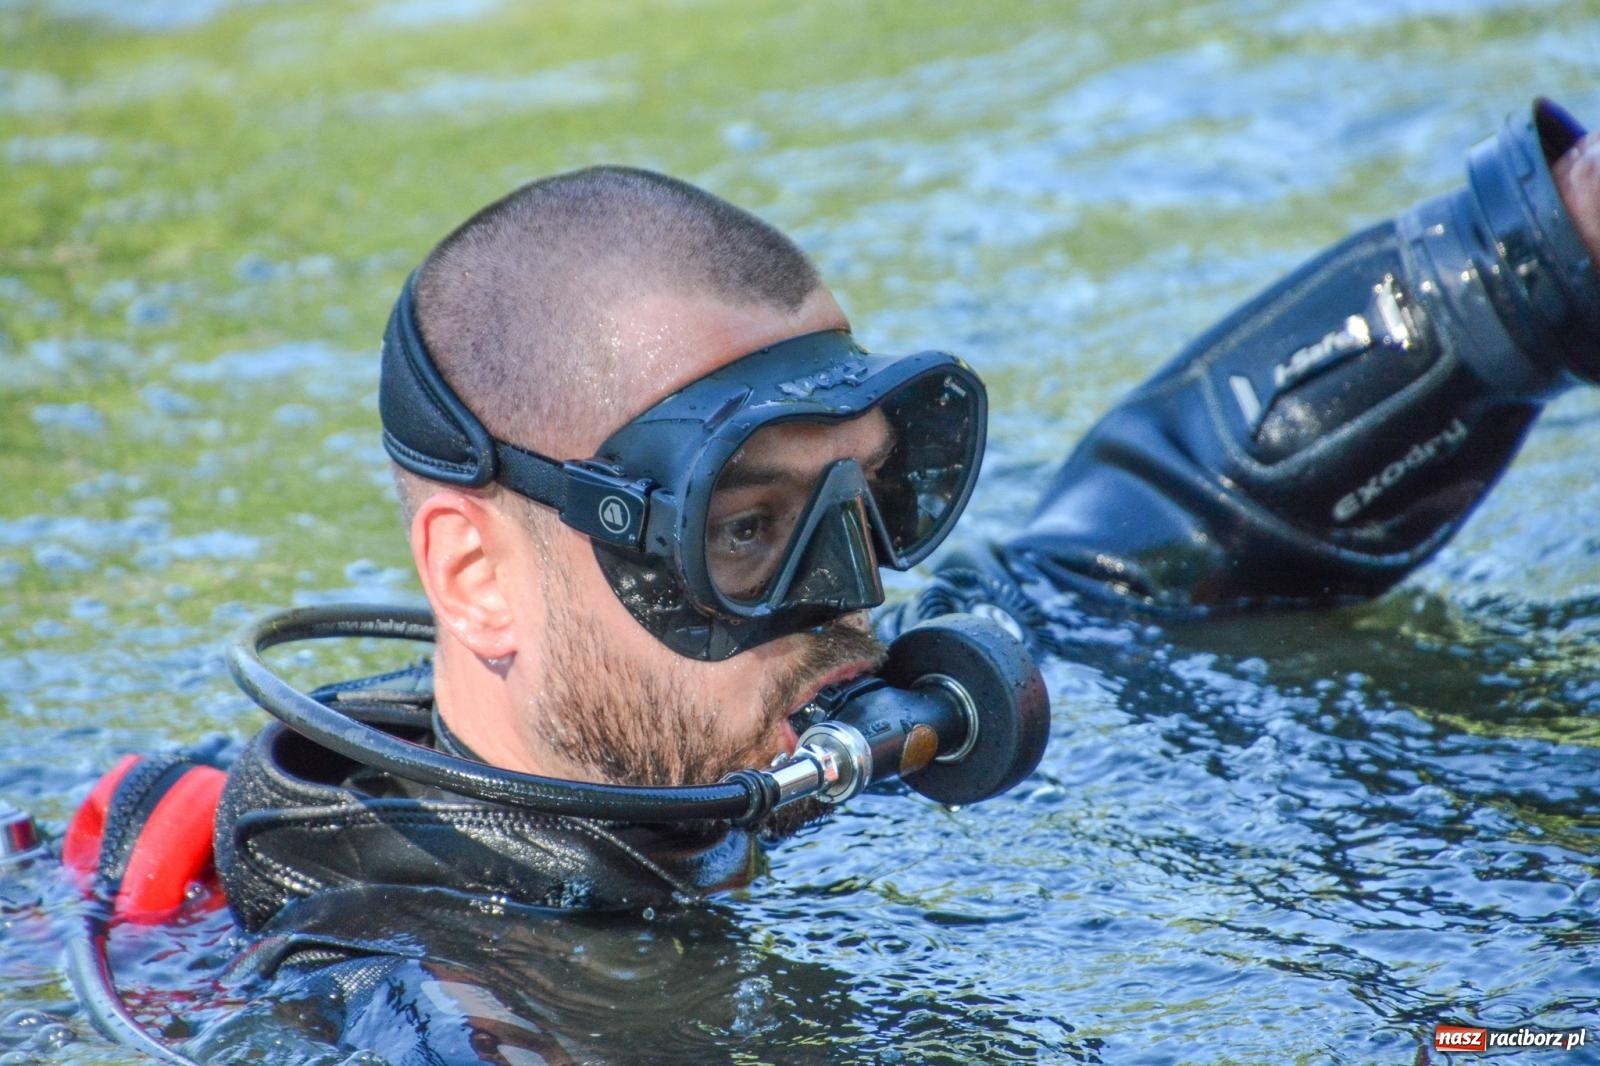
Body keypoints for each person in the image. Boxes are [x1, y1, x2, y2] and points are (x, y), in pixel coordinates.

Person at [71, 98, 1600, 1063]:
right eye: (745, 531)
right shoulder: (401, 1014)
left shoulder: (797, 724)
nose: (848, 604)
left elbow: (1158, 529)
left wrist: (1544, 245)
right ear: (476, 577)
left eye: (867, 505)